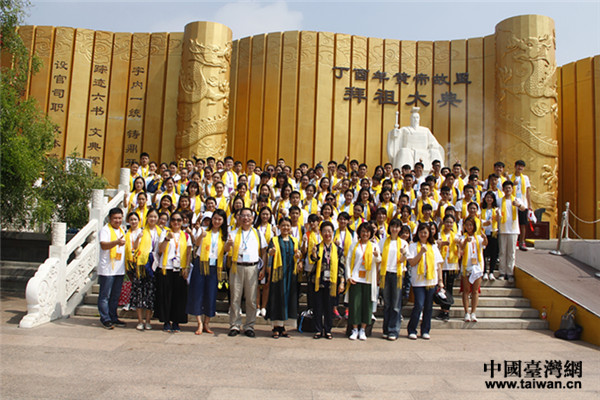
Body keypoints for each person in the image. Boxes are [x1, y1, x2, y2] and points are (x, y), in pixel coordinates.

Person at [224, 207, 267, 337]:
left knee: (251, 299)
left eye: (249, 216)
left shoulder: (257, 233)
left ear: (253, 218)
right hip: (236, 267)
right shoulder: (233, 232)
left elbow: (264, 251)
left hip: (252, 268)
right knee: (235, 297)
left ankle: (249, 325)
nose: (246, 218)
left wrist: (263, 267)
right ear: (239, 217)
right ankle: (235, 325)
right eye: (243, 215)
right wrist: (228, 245)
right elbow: (226, 250)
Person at [187, 209, 228, 335]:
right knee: (198, 293)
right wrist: (201, 236)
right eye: (215, 219)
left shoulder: (224, 235)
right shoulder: (204, 230)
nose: (216, 221)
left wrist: (229, 245)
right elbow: (196, 244)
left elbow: (225, 251)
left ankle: (207, 323)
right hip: (201, 263)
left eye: (219, 219)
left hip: (214, 266)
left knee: (210, 294)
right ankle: (199, 323)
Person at [265, 217, 302, 338]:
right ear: (279, 227)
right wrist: (271, 252)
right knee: (277, 299)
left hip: (290, 274)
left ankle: (283, 326)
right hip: (278, 274)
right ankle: (276, 327)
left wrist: (298, 255)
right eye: (283, 225)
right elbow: (269, 252)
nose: (285, 228)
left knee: (287, 299)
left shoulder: (294, 241)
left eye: (288, 225)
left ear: (291, 227)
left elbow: (298, 254)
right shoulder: (274, 240)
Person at [406, 223, 444, 340]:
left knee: (428, 307)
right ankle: (412, 329)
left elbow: (438, 265)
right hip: (418, 281)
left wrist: (440, 281)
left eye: (425, 232)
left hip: (431, 281)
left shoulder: (433, 246)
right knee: (419, 305)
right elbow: (412, 263)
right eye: (421, 232)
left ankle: (425, 330)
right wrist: (421, 252)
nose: (423, 234)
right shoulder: (413, 246)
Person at [156, 211, 192, 333]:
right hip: (166, 268)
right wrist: (167, 239)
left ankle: (176, 321)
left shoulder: (185, 235)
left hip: (179, 269)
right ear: (170, 222)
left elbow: (188, 252)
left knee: (179, 297)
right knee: (166, 295)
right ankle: (166, 321)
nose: (176, 222)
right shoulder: (165, 233)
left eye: (179, 220)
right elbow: (160, 250)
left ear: (183, 222)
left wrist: (186, 267)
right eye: (174, 220)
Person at [309, 221, 345, 339]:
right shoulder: (317, 248)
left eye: (329, 231)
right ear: (321, 232)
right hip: (318, 282)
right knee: (318, 307)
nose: (327, 234)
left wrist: (342, 282)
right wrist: (313, 254)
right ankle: (318, 330)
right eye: (325, 231)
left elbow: (342, 267)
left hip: (332, 283)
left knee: (330, 308)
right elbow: (312, 261)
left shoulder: (338, 250)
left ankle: (328, 330)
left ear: (333, 233)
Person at [345, 222, 381, 341]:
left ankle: (363, 329)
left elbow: (379, 260)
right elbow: (348, 261)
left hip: (368, 279)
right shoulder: (354, 245)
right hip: (356, 278)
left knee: (367, 305)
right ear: (359, 233)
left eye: (367, 231)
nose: (365, 234)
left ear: (371, 233)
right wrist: (348, 276)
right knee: (355, 304)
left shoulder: (374, 245)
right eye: (363, 231)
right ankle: (354, 329)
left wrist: (376, 256)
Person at [131, 208, 161, 330]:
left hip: (154, 264)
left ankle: (148, 320)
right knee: (139, 293)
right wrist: (138, 238)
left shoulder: (160, 232)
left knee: (150, 294)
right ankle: (140, 320)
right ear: (147, 218)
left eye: (155, 217)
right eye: (151, 216)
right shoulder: (141, 231)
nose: (153, 219)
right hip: (141, 264)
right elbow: (135, 247)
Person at [378, 218, 408, 340]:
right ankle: (385, 329)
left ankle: (393, 330)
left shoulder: (404, 243)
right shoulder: (383, 241)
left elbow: (404, 260)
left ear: (400, 228)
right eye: (392, 226)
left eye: (397, 227)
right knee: (387, 303)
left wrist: (403, 255)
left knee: (396, 304)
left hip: (397, 274)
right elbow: (379, 257)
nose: (394, 229)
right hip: (385, 274)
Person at [98, 207, 127, 329]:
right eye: (115, 218)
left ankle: (113, 316)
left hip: (119, 268)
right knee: (105, 295)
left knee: (115, 295)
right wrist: (116, 242)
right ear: (110, 218)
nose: (117, 220)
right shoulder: (105, 230)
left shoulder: (122, 230)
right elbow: (104, 245)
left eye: (120, 218)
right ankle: (105, 318)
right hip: (107, 269)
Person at [496, 180, 526, 283]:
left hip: (513, 230)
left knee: (511, 253)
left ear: (512, 189)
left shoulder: (516, 200)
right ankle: (502, 272)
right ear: (503, 189)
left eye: (509, 188)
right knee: (502, 252)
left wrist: (518, 205)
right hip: (503, 230)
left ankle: (510, 273)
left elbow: (523, 208)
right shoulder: (500, 200)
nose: (508, 190)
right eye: (506, 188)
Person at [459, 216, 487, 322]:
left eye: (471, 225)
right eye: (467, 225)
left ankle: (473, 312)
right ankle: (466, 312)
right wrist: (466, 241)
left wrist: (485, 238)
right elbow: (461, 247)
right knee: (466, 290)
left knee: (475, 290)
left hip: (477, 266)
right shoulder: (462, 237)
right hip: (466, 266)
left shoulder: (478, 237)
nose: (469, 227)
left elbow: (485, 244)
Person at [435, 215, 460, 322]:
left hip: (452, 264)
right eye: (447, 222)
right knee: (441, 288)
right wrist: (443, 243)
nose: (449, 224)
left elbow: (460, 247)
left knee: (449, 287)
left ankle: (446, 310)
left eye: (451, 222)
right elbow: (436, 245)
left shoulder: (455, 235)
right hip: (441, 263)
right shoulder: (440, 234)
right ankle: (442, 307)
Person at [510, 160, 532, 251]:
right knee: (513, 222)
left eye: (522, 167)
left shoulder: (525, 178)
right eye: (518, 166)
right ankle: (514, 242)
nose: (520, 168)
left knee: (523, 224)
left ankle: (522, 241)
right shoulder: (510, 177)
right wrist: (512, 184)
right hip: (512, 203)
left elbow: (527, 191)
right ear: (515, 166)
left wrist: (529, 204)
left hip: (523, 203)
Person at [481, 191, 499, 281]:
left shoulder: (496, 209)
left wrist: (498, 215)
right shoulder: (482, 210)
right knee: (484, 253)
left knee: (493, 253)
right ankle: (484, 272)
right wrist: (486, 223)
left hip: (493, 233)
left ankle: (491, 272)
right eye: (487, 197)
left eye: (491, 198)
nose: (489, 199)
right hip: (484, 233)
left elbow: (499, 220)